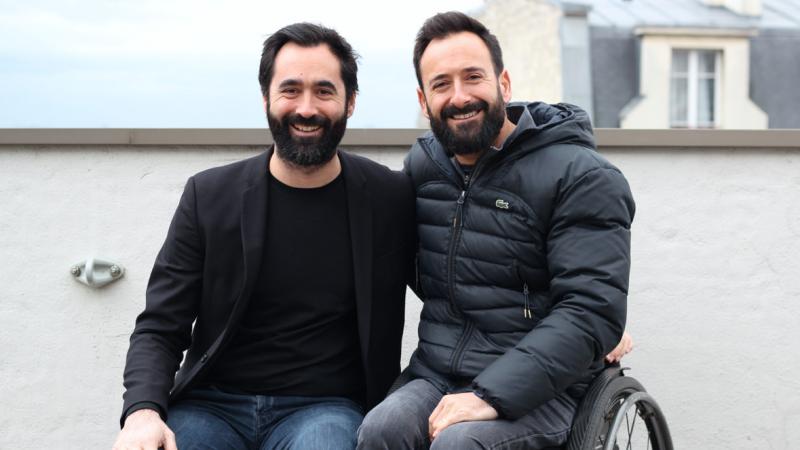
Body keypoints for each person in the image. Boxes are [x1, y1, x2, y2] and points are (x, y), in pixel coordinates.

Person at [113, 22, 415, 450]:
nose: (306, 108)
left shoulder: (390, 198)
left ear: (350, 103)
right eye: (290, 90)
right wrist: (142, 413)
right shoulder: (209, 196)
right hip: (210, 407)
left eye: (324, 91)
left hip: (325, 409)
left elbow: (454, 291)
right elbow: (160, 326)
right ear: (266, 99)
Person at [357, 11, 636, 450]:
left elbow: (589, 307)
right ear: (423, 99)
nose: (460, 96)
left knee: (459, 445)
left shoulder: (581, 176)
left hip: (549, 390)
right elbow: (418, 264)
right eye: (441, 84)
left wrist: (492, 394)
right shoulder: (424, 167)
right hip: (438, 372)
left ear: (503, 83)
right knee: (379, 431)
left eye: (473, 77)